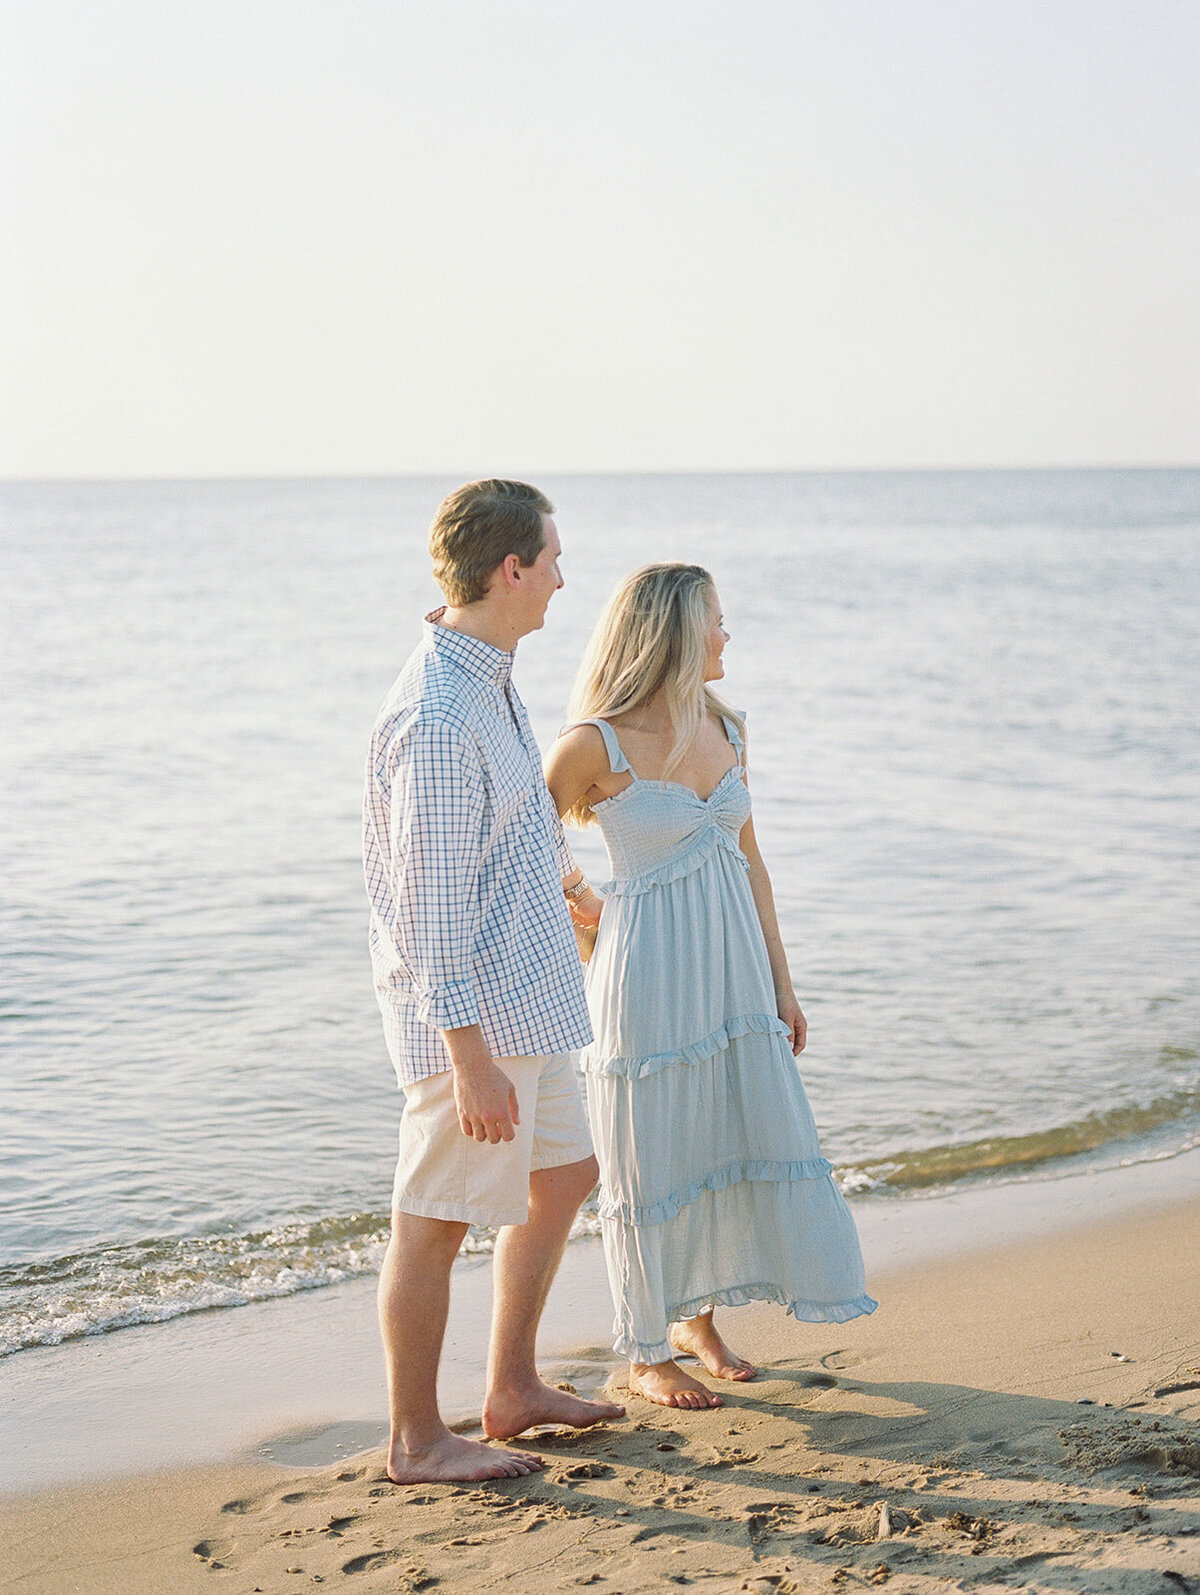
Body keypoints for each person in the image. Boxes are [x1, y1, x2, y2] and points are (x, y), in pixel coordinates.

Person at [545, 563, 876, 1410]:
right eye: (717, 621)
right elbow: (525, 844)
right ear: (675, 633)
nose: (728, 636)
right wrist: (583, 903)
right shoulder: (593, 743)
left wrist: (783, 983)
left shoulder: (725, 727)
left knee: (722, 1136)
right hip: (644, 972)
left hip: (731, 972)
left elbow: (752, 863)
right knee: (649, 1154)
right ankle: (647, 1348)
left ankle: (697, 1321)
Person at [363, 480, 625, 1484]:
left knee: (566, 1171)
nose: (563, 575)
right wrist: (467, 1059)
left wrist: (576, 893)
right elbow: (430, 907)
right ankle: (415, 1439)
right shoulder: (437, 712)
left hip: (528, 994)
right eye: (554, 558)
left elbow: (516, 818)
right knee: (430, 1224)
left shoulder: (492, 676)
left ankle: (510, 1385)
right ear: (511, 568)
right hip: (469, 1022)